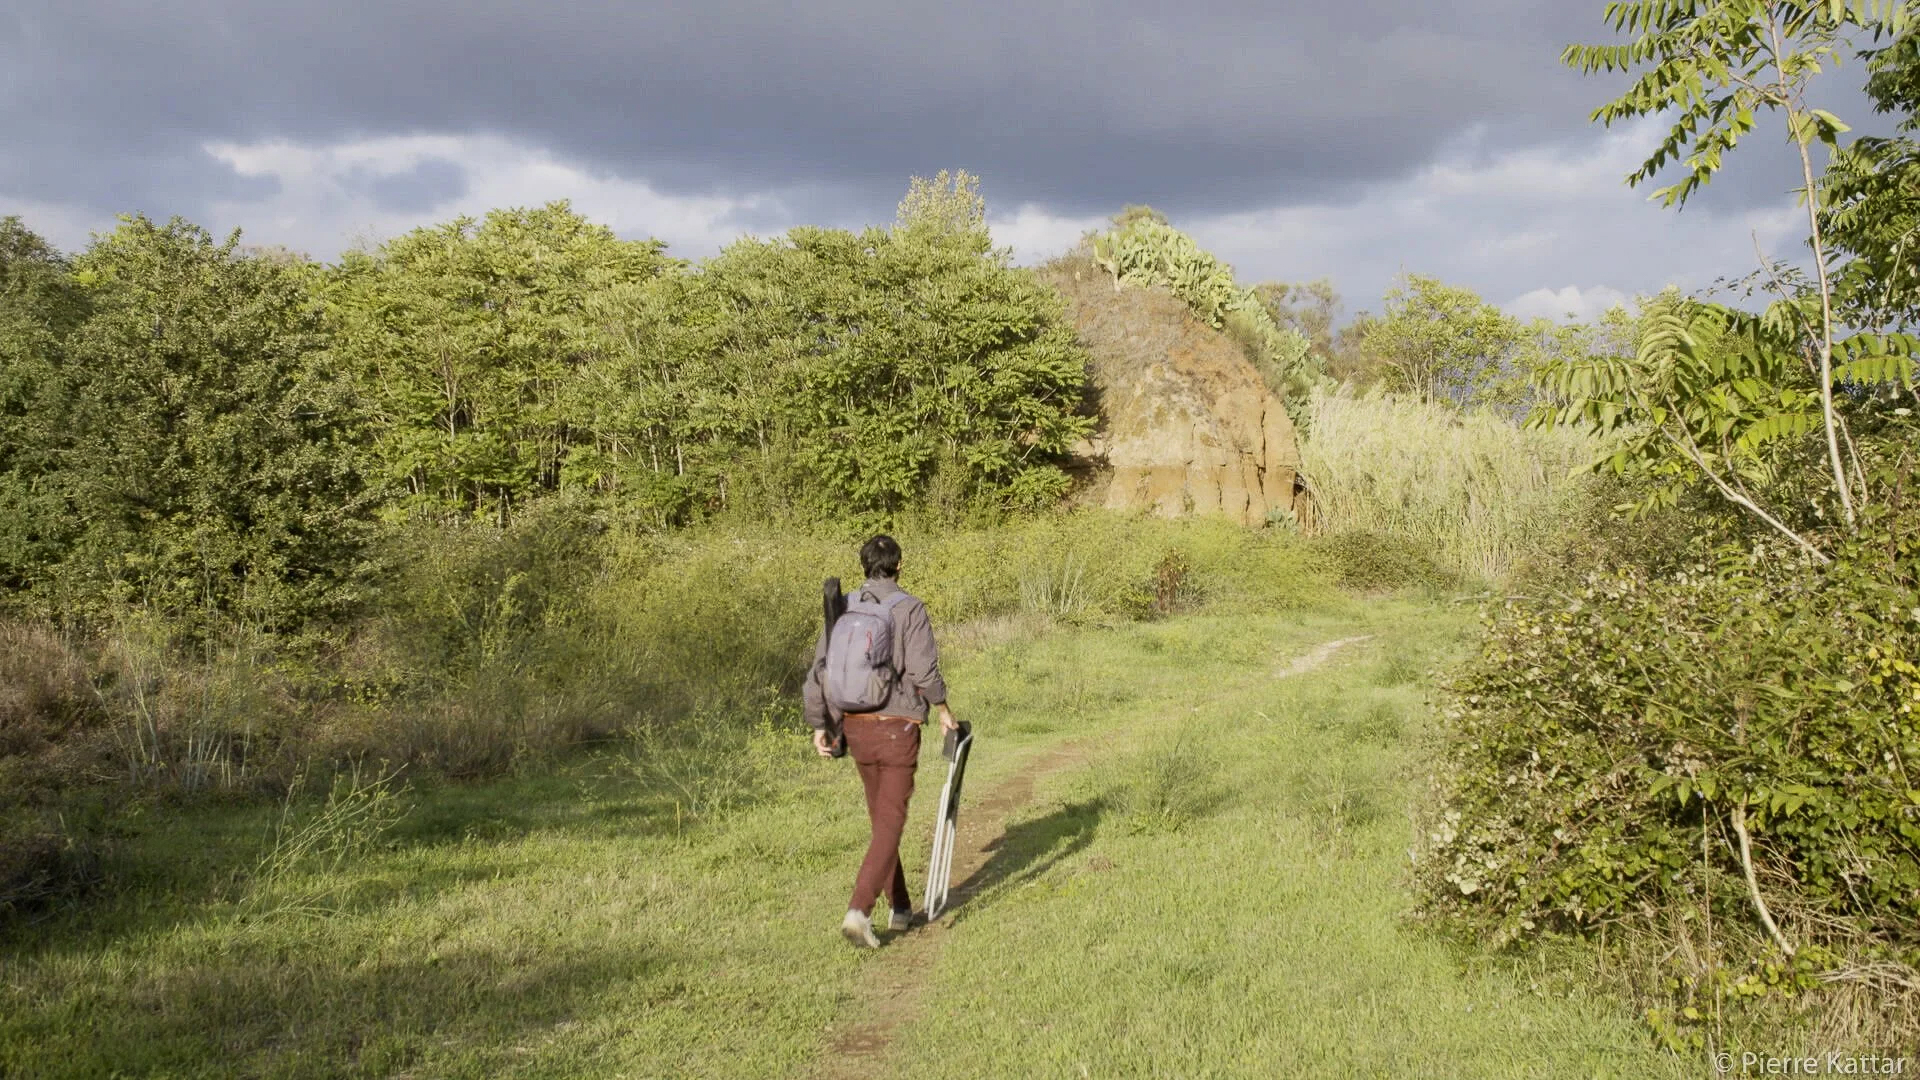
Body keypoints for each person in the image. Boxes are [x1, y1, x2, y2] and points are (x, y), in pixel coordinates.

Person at [804, 534, 958, 949]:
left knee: (881, 820)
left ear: (863, 565)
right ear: (899, 565)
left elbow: (821, 669)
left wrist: (820, 722)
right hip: (897, 727)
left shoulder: (843, 607)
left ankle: (902, 906)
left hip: (855, 726)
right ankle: (859, 910)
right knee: (889, 822)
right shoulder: (909, 608)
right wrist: (943, 709)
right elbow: (924, 672)